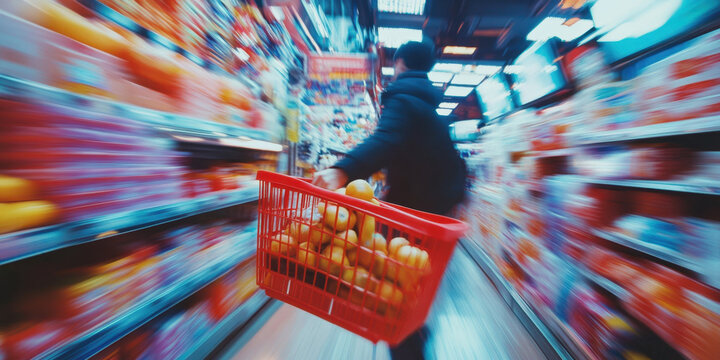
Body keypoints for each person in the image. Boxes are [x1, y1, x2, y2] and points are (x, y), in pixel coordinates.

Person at [313, 40, 466, 216]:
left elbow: (386, 139)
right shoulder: (423, 101)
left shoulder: (404, 98)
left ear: (399, 62)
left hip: (423, 201)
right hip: (436, 198)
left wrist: (342, 171)